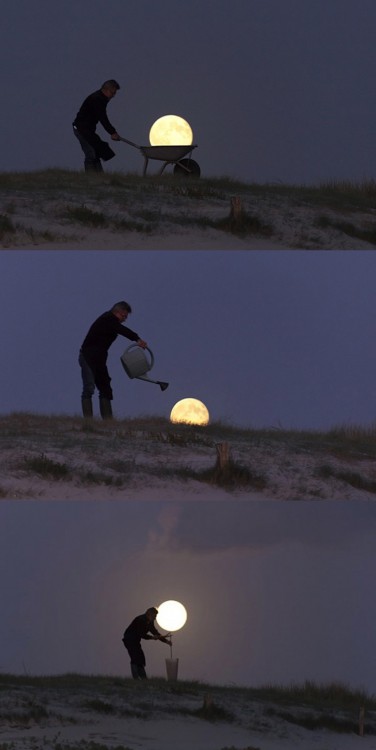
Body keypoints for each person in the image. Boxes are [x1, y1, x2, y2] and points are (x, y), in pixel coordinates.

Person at [79, 301, 147, 420]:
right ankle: (88, 422)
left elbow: (119, 328)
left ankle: (108, 422)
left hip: (99, 359)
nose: (124, 319)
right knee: (89, 388)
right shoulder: (108, 319)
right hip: (88, 357)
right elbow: (121, 329)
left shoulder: (111, 321)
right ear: (117, 312)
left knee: (105, 388)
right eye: (123, 316)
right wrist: (137, 339)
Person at [73, 79, 121, 172]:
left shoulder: (101, 98)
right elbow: (103, 118)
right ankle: (91, 179)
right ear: (107, 90)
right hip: (81, 129)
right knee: (91, 153)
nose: (113, 96)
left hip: (88, 130)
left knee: (97, 150)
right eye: (113, 93)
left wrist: (112, 132)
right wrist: (112, 132)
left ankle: (99, 177)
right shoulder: (97, 99)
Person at [122, 607, 171, 680]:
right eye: (154, 616)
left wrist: (166, 641)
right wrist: (152, 637)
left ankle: (143, 678)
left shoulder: (150, 622)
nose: (155, 618)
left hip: (136, 641)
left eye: (155, 617)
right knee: (135, 657)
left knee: (141, 658)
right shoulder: (140, 620)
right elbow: (141, 634)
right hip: (129, 639)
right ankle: (136, 678)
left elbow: (155, 633)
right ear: (149, 614)